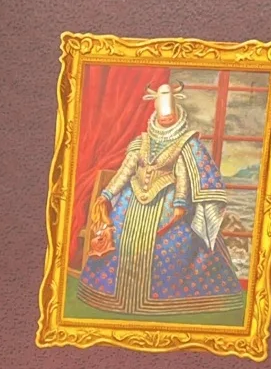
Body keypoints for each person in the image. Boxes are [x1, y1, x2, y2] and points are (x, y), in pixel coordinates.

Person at [78, 76, 241, 315]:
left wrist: (180, 204)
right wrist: (107, 194)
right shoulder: (141, 141)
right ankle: (118, 299)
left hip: (169, 202)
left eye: (170, 115)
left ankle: (159, 303)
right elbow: (125, 171)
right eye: (163, 116)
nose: (166, 119)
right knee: (120, 241)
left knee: (172, 248)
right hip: (132, 200)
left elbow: (183, 174)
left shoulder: (185, 142)